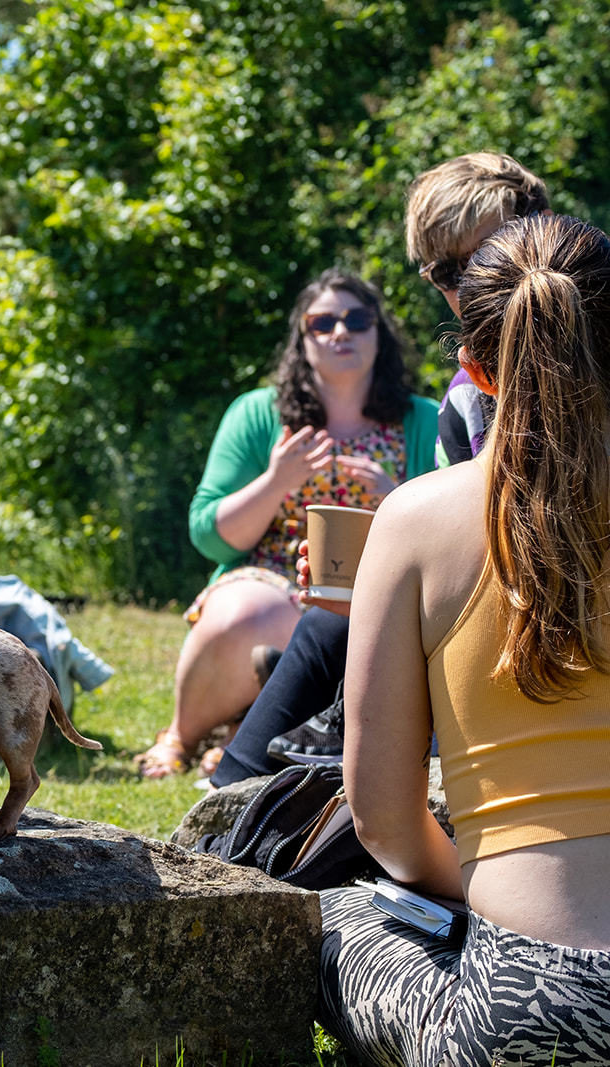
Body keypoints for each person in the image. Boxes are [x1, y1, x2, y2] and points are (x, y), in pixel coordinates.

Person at [320, 213, 610, 1066]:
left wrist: (474, 894)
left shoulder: (417, 516)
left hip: (533, 1000)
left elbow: (382, 819)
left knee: (341, 913)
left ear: (475, 369)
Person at [212, 153, 552, 788]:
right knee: (331, 622)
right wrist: (372, 573)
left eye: (482, 261)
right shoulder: (467, 396)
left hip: (549, 620)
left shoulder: (564, 373)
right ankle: (227, 805)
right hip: (484, 612)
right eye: (446, 272)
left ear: (541, 239)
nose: (466, 290)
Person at [136, 269, 439, 778]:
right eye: (323, 323)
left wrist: (394, 497)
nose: (340, 332)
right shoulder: (259, 414)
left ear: (379, 332)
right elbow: (209, 533)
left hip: (378, 582)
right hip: (273, 575)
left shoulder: (423, 418)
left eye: (356, 320)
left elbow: (447, 527)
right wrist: (278, 480)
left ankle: (243, 733)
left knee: (345, 623)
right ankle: (182, 736)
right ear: (302, 336)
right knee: (244, 615)